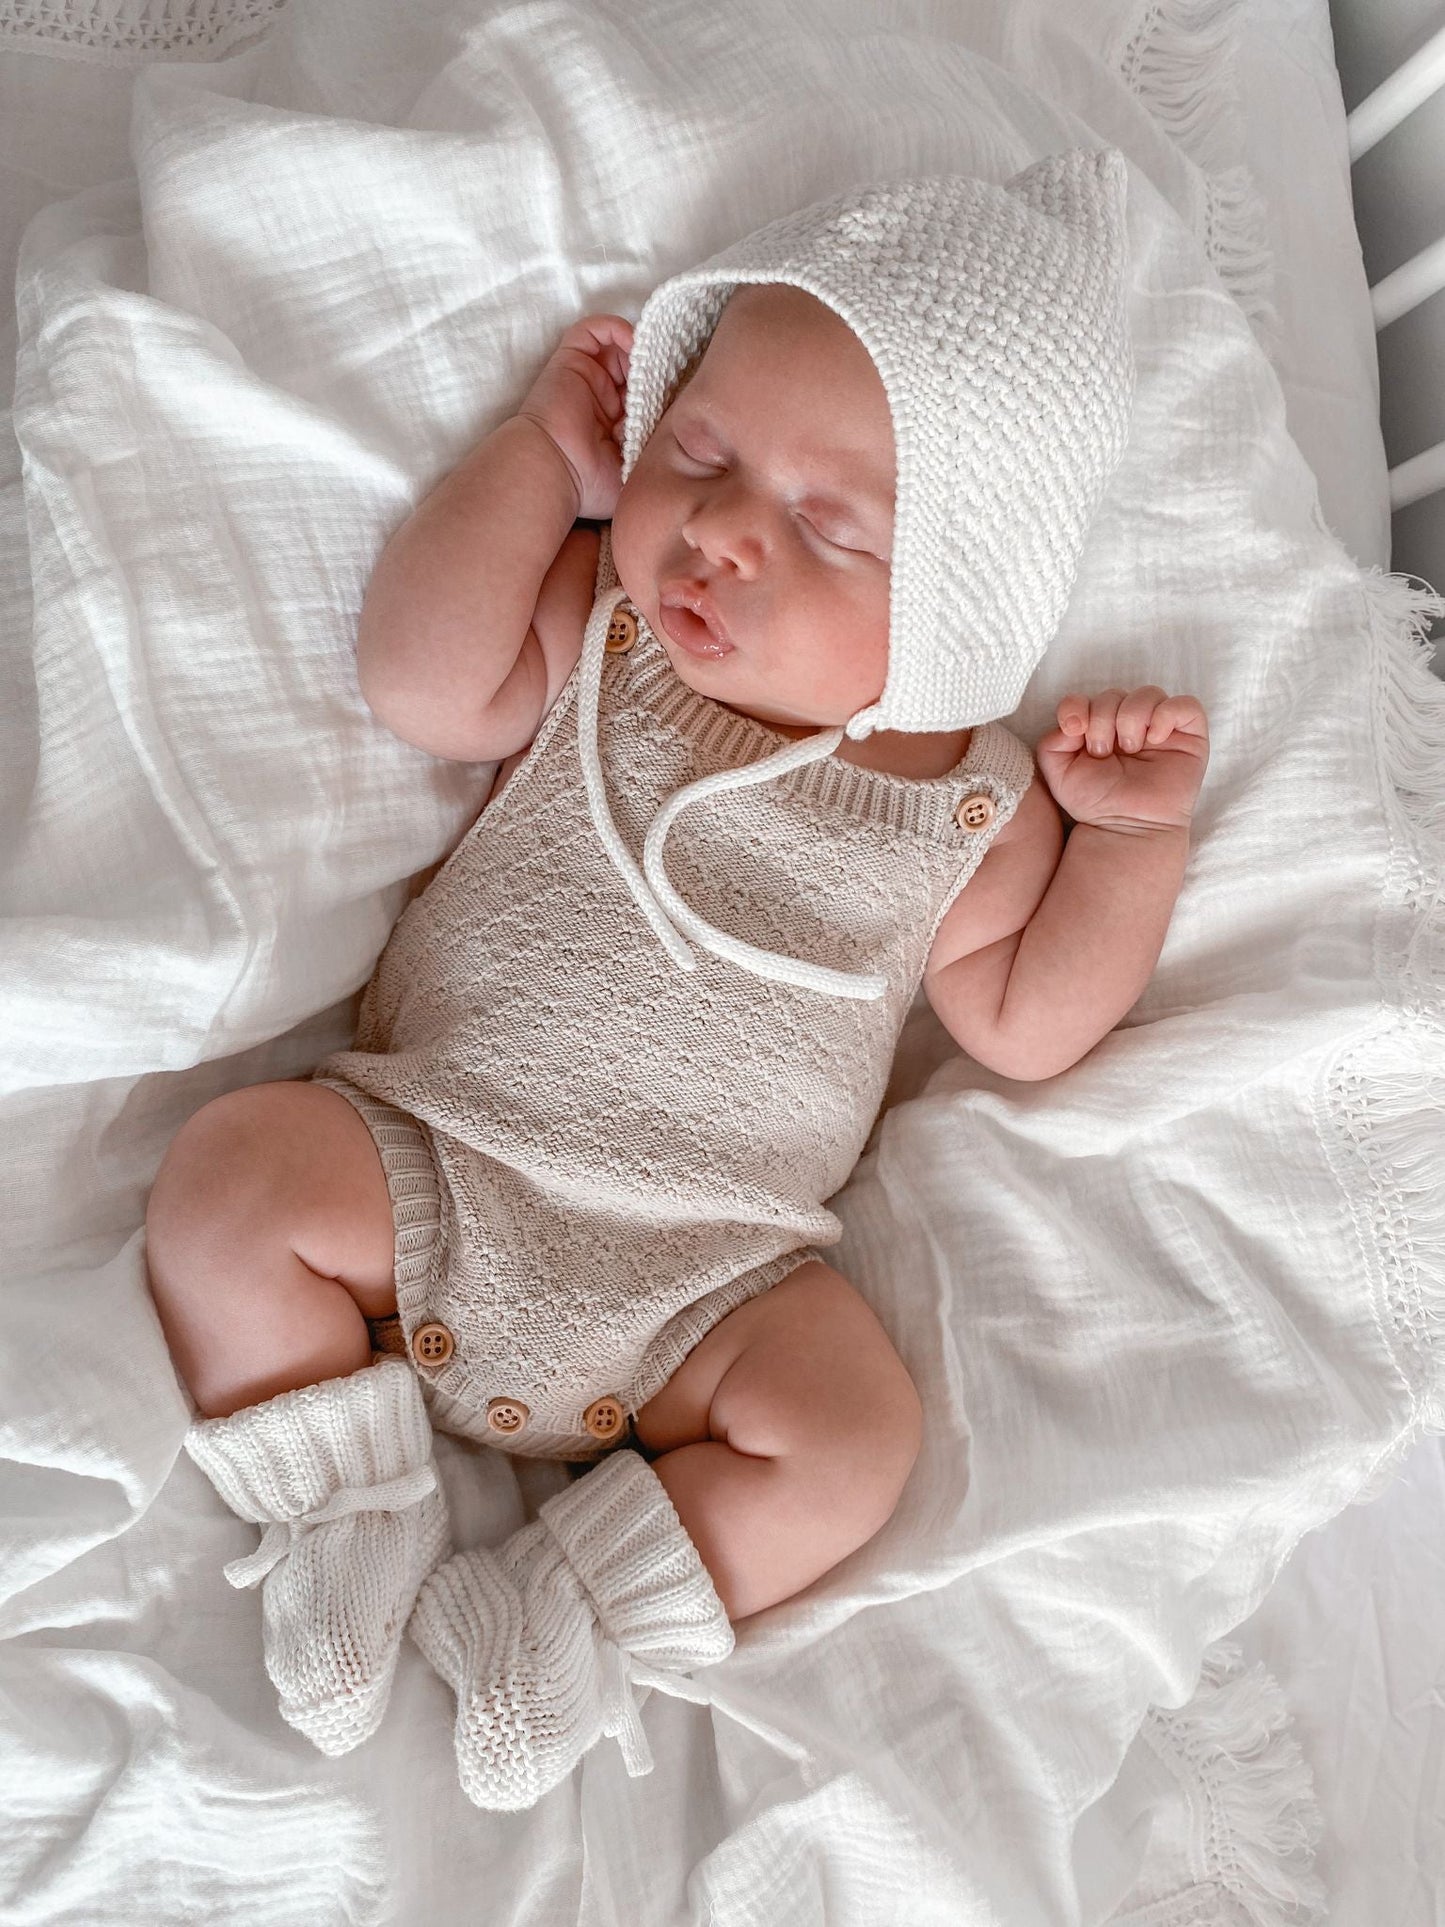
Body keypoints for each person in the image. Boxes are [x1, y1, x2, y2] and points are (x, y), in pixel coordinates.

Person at [143, 149, 1210, 1810]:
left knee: (852, 1438)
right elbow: (421, 681)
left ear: (962, 603)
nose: (714, 532)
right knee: (230, 1181)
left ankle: (565, 1615)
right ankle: (341, 1517)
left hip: (706, 1296)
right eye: (698, 453)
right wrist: (536, 461)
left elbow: (1023, 1026)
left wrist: (1128, 845)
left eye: (826, 529)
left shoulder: (973, 813)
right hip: (432, 1165)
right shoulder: (608, 643)